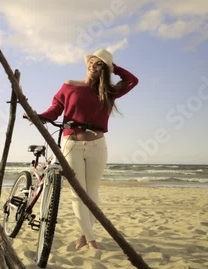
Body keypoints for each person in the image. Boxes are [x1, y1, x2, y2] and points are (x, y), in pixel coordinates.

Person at [26, 49, 138, 249]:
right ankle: (92, 240)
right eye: (92, 62)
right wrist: (39, 116)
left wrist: (114, 68)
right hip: (72, 146)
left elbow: (132, 80)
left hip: (98, 145)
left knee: (92, 193)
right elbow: (55, 110)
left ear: (105, 69)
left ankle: (84, 235)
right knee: (78, 193)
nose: (93, 66)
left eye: (99, 64)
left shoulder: (108, 91)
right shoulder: (69, 86)